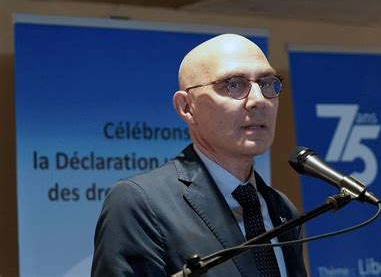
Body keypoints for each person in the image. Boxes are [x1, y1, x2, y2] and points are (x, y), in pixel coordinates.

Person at [92, 33, 307, 276]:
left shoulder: (281, 207)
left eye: (266, 83)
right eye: (234, 84)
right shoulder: (140, 202)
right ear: (186, 107)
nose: (259, 100)